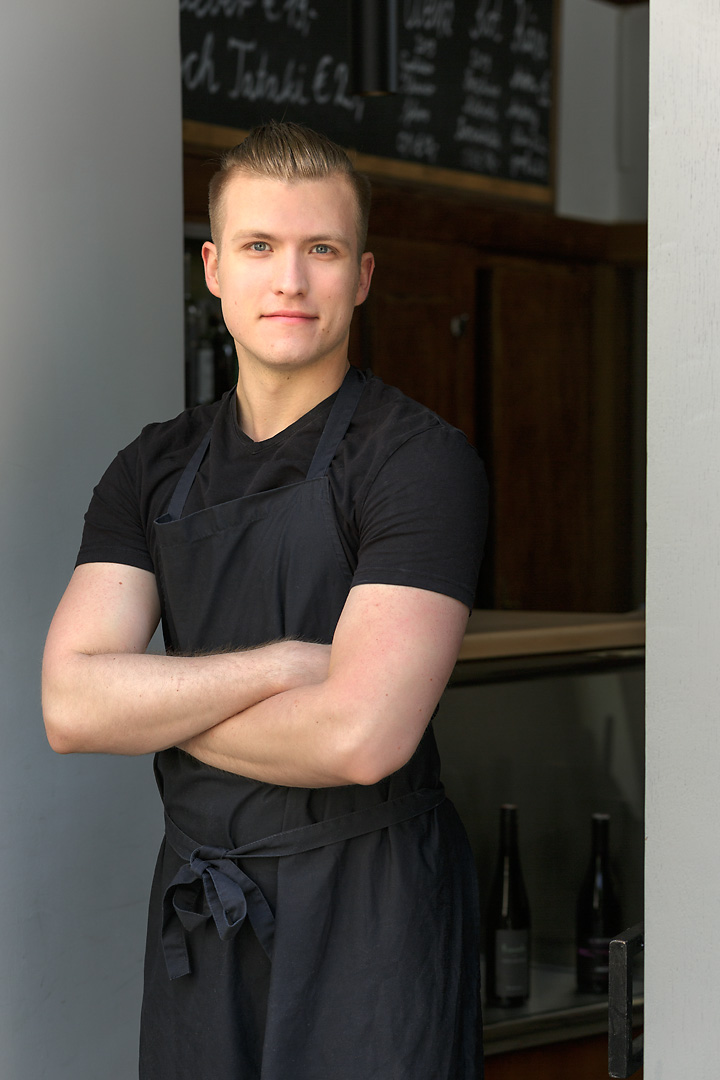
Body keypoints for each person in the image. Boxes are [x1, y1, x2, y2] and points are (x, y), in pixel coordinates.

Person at [42, 121, 488, 1079]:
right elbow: (70, 707)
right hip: (203, 912)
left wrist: (153, 706)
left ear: (361, 275)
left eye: (321, 249)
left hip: (370, 916)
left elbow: (361, 738)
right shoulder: (151, 468)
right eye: (258, 246)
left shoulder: (418, 462)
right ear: (213, 268)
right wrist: (285, 667)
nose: (290, 280)